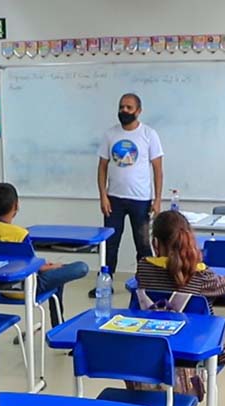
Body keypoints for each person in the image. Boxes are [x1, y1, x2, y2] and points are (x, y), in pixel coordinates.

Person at [133, 210, 225, 395]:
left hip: (149, 355)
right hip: (192, 355)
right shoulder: (200, 274)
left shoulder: (143, 268)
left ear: (155, 244)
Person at [0, 183, 89, 326]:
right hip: (25, 288)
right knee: (79, 267)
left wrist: (42, 264)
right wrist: (49, 266)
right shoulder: (20, 234)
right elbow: (32, 267)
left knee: (55, 274)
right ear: (16, 205)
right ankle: (58, 326)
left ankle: (58, 325)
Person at [95, 93, 164, 295]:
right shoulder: (110, 134)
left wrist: (158, 200)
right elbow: (102, 168)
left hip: (141, 199)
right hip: (113, 199)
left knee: (143, 244)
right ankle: (105, 284)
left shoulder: (149, 135)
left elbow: (158, 170)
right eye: (121, 107)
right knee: (109, 244)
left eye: (129, 107)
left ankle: (146, 283)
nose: (124, 110)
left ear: (138, 111)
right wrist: (103, 195)